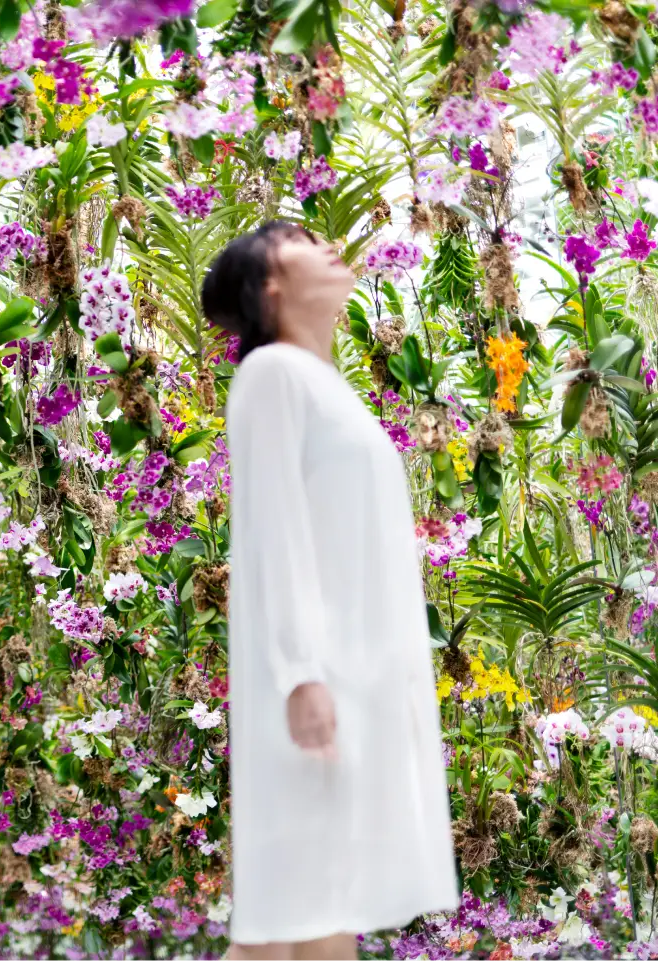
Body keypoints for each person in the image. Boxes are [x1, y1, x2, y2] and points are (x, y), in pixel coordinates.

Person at [202, 221, 459, 961]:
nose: (327, 245)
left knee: (310, 907)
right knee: (302, 904)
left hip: (351, 680)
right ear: (269, 286)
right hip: (312, 683)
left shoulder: (324, 385)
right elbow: (273, 532)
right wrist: (299, 673)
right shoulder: (272, 373)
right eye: (299, 239)